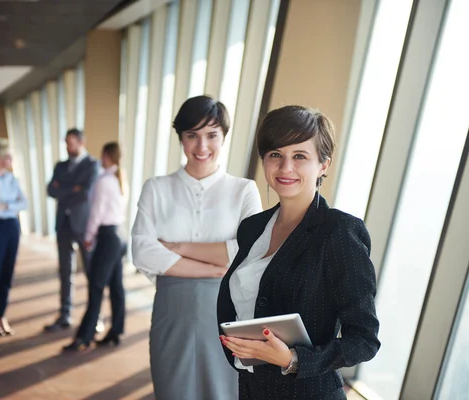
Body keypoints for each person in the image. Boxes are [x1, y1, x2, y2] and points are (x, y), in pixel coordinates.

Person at [217, 105, 380, 399]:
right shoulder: (252, 228)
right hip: (253, 389)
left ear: (323, 165)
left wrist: (293, 359)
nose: (285, 167)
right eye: (275, 155)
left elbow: (364, 340)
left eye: (300, 156)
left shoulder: (339, 233)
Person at [131, 95, 263, 400]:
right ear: (181, 138)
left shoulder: (243, 190)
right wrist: (216, 266)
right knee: (172, 389)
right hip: (171, 311)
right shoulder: (157, 188)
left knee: (224, 391)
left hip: (229, 313)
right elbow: (142, 250)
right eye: (192, 136)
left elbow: (251, 251)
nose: (202, 147)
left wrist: (176, 247)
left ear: (224, 137)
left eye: (211, 136)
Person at [63, 142, 128, 352]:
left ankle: (85, 336)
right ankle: (115, 332)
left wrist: (88, 237)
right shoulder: (121, 179)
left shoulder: (105, 181)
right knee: (116, 287)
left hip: (107, 237)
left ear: (107, 156)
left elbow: (96, 212)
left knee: (96, 286)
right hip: (118, 236)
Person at [44, 128, 99, 332]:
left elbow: (85, 192)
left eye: (71, 142)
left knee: (91, 271)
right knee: (65, 271)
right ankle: (65, 314)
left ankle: (96, 316)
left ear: (81, 142)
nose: (68, 147)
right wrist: (71, 189)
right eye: (66, 143)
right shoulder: (60, 165)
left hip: (83, 225)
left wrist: (63, 189)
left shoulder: (92, 165)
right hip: (63, 224)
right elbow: (50, 190)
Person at [0, 138, 28, 336]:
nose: (10, 159)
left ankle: (1, 315)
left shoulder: (13, 179)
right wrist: (9, 204)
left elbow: (24, 203)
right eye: (7, 155)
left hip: (12, 226)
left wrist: (5, 205)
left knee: (8, 273)